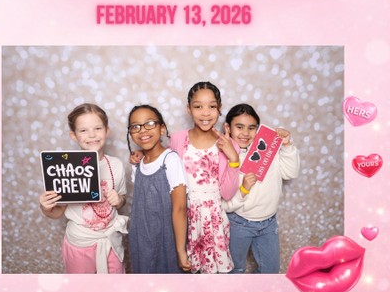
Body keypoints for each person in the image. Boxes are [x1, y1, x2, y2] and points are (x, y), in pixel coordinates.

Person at [39, 103, 127, 273]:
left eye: (97, 128)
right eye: (83, 130)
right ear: (73, 135)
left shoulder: (116, 165)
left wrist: (119, 199)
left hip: (110, 240)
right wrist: (46, 207)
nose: (92, 135)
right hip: (80, 245)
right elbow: (57, 212)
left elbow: (121, 200)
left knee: (115, 290)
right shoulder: (65, 167)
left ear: (107, 131)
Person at [168, 81, 240, 273]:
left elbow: (227, 193)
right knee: (189, 277)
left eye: (212, 106)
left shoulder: (229, 143)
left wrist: (233, 157)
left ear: (220, 108)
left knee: (216, 280)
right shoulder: (176, 139)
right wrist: (142, 155)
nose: (205, 113)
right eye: (198, 106)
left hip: (214, 221)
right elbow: (165, 165)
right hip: (186, 217)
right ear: (188, 109)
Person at [221, 103, 300, 273]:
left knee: (270, 270)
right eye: (239, 127)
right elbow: (224, 202)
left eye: (251, 128)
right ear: (227, 127)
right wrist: (244, 188)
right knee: (236, 269)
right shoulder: (225, 158)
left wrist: (286, 146)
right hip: (239, 223)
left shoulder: (268, 150)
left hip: (268, 223)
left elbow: (290, 173)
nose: (245, 133)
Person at [126, 104, 190, 273]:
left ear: (162, 129)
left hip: (166, 240)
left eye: (150, 123)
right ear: (131, 133)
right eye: (135, 126)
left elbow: (180, 208)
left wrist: (180, 251)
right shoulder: (138, 162)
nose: (143, 130)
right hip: (141, 240)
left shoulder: (170, 160)